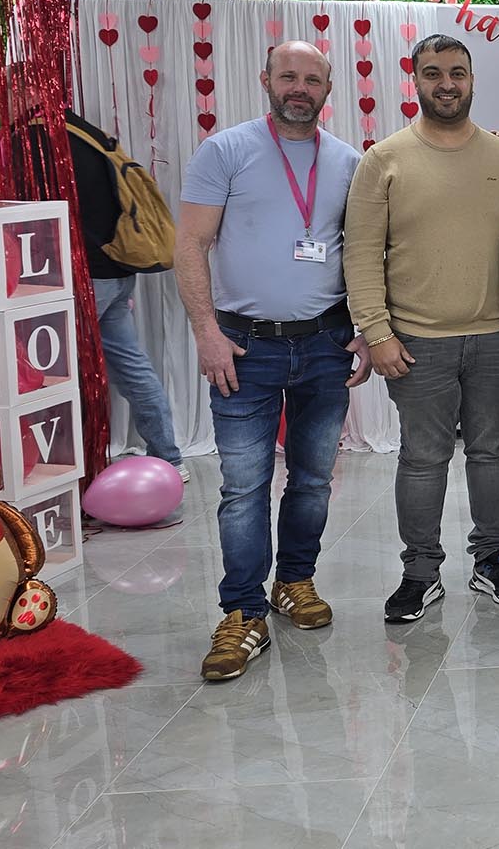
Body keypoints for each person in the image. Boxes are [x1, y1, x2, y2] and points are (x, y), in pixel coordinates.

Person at [176, 40, 368, 681]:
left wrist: (365, 330)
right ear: (265, 79)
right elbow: (192, 242)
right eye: (289, 75)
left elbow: (365, 256)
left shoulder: (347, 162)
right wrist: (205, 330)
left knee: (313, 479)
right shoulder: (225, 150)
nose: (300, 88)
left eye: (313, 79)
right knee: (243, 486)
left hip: (325, 343)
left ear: (328, 89)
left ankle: (296, 582)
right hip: (244, 345)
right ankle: (242, 612)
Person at [342, 34, 499, 624]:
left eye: (457, 72)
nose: (446, 84)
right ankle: (420, 572)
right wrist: (376, 332)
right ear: (417, 81)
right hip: (415, 343)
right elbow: (361, 253)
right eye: (433, 73)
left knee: (491, 453)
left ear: (473, 80)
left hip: (498, 337)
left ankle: (493, 560)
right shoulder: (385, 159)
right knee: (423, 460)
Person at [67, 110, 188, 481]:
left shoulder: (46, 141)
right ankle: (169, 457)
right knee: (133, 367)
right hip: (118, 268)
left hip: (87, 273)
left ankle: (78, 465)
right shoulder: (87, 132)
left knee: (67, 373)